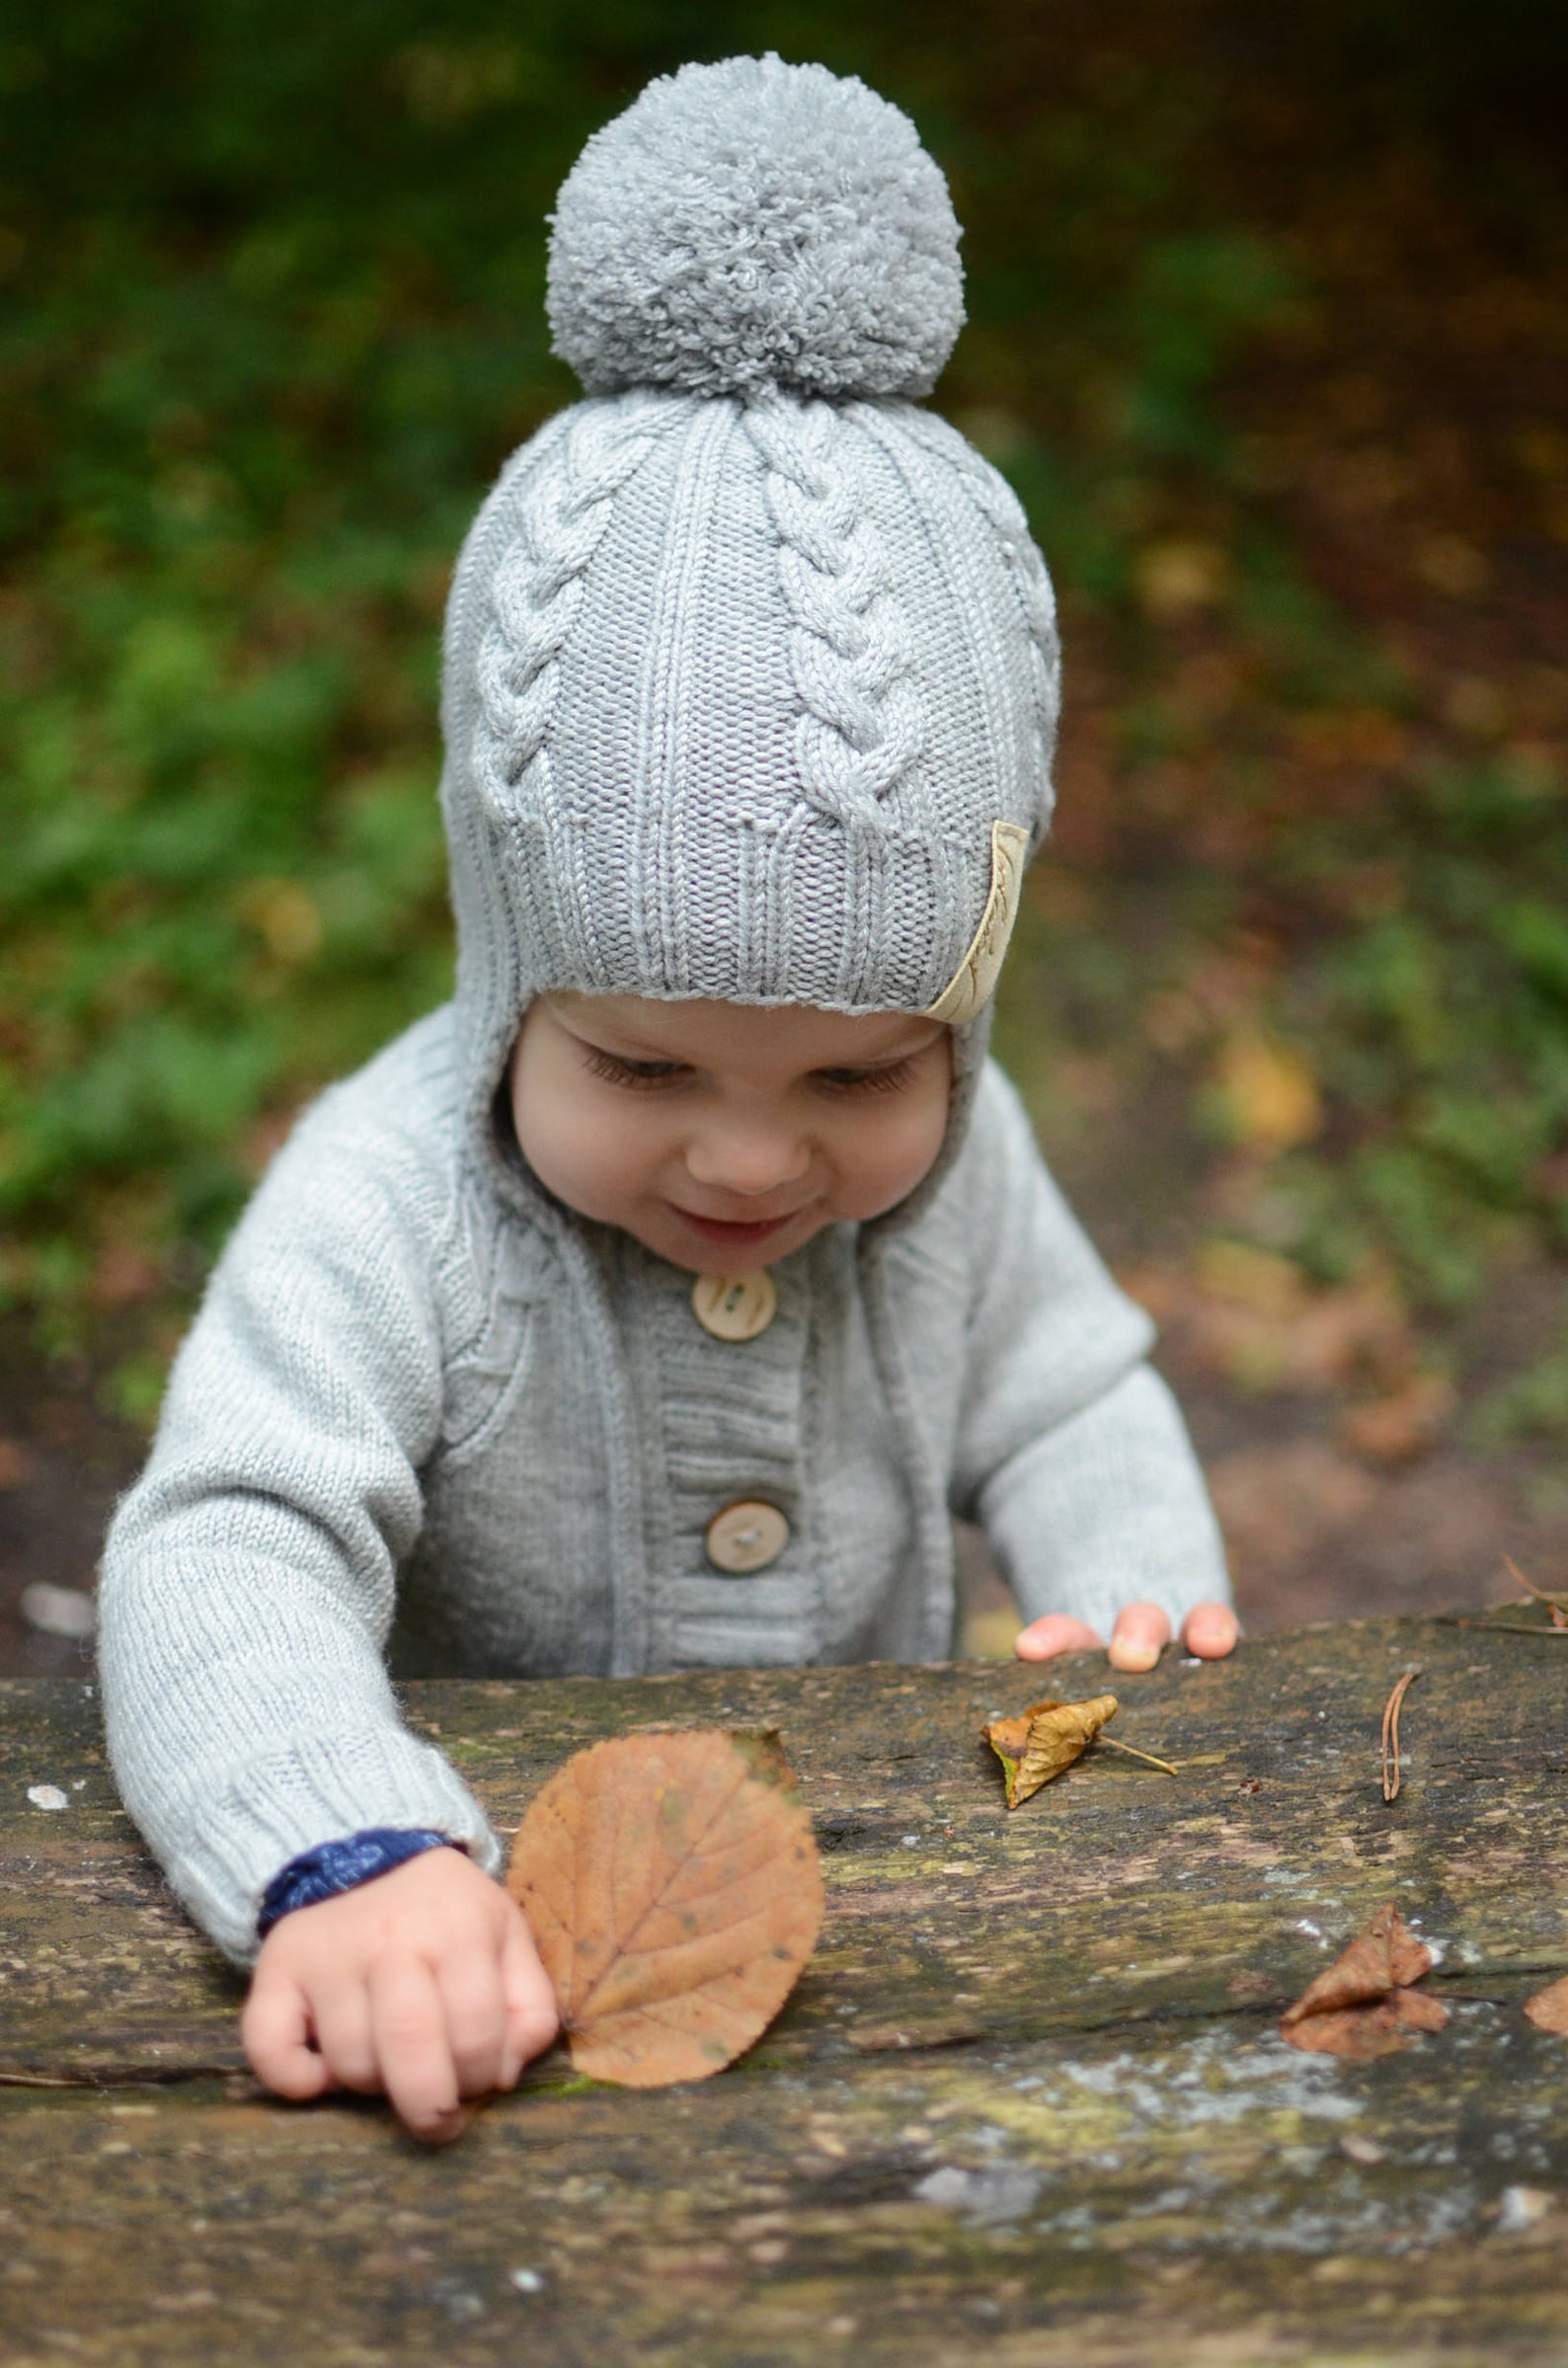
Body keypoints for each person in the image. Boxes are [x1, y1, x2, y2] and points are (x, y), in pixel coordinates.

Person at [99, 55, 1237, 2146]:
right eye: (639, 1064)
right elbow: (228, 1539)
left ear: (958, 1020)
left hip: (865, 1982)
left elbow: (1070, 1392)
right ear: (509, 977)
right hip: (499, 1986)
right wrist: (346, 1844)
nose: (749, 1152)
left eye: (862, 1071)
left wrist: (1130, 1599)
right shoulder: (393, 1204)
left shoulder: (961, 1177)